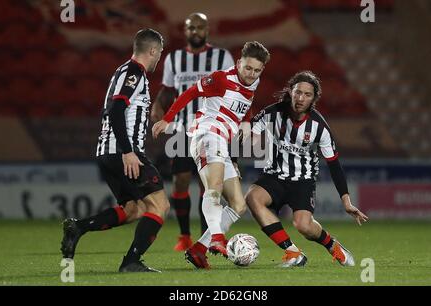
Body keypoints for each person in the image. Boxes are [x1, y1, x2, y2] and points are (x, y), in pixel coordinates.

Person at [153, 41, 281, 269]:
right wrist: (167, 119)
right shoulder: (221, 78)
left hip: (222, 142)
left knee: (239, 205)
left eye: (257, 70)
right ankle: (218, 239)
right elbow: (191, 92)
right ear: (239, 62)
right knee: (215, 187)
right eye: (248, 68)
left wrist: (247, 123)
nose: (251, 74)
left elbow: (246, 104)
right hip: (206, 134)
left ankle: (198, 250)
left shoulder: (254, 82)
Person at [60, 28, 170, 273]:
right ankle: (131, 261)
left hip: (109, 152)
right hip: (123, 153)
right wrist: (128, 151)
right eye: (159, 53)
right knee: (160, 205)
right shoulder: (134, 73)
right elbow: (117, 109)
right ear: (152, 50)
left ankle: (79, 227)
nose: (159, 58)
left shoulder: (123, 71)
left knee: (135, 209)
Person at [245, 71, 369, 267]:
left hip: (303, 180)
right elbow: (247, 134)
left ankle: (332, 245)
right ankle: (293, 253)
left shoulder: (320, 127)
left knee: (303, 225)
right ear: (291, 92)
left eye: (307, 94)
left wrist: (346, 201)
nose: (301, 98)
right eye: (297, 92)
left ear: (314, 99)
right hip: (274, 175)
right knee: (252, 198)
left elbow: (334, 165)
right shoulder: (272, 113)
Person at [151, 12, 234, 252]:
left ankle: (204, 237)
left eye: (199, 27)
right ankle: (184, 235)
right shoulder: (174, 59)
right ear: (184, 31)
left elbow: (233, 90)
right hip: (181, 128)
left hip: (211, 128)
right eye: (190, 28)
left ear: (207, 30)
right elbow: (168, 90)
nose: (195, 31)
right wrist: (158, 105)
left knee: (208, 185)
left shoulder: (221, 56)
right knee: (181, 182)